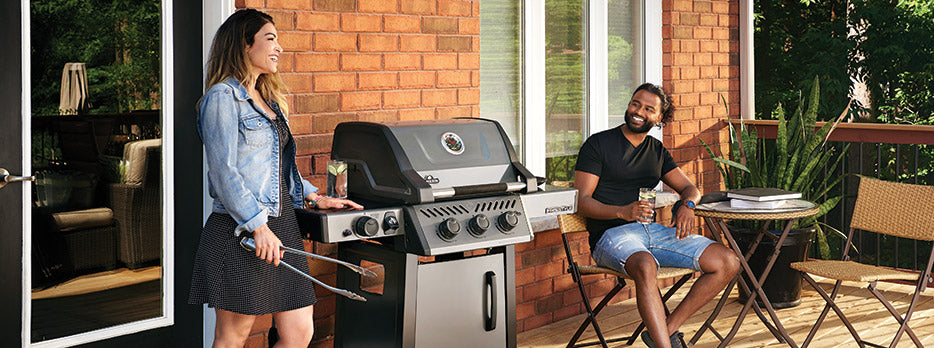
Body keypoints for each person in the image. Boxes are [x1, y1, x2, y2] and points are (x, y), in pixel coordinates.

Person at [188, 9, 363, 348]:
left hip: (282, 226)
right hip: (241, 230)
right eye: (270, 39)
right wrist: (257, 225)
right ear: (244, 44)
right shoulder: (223, 99)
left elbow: (279, 167)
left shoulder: (269, 101)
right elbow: (225, 173)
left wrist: (314, 195)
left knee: (299, 333)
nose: (279, 47)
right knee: (232, 336)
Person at [574, 83, 739, 348]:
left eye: (649, 109)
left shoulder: (656, 151)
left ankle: (663, 330)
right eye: (635, 104)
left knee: (728, 262)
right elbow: (581, 202)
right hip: (610, 236)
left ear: (659, 118)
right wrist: (622, 211)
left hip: (652, 233)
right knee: (646, 265)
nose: (638, 111)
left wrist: (688, 206)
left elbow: (690, 189)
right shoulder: (599, 144)